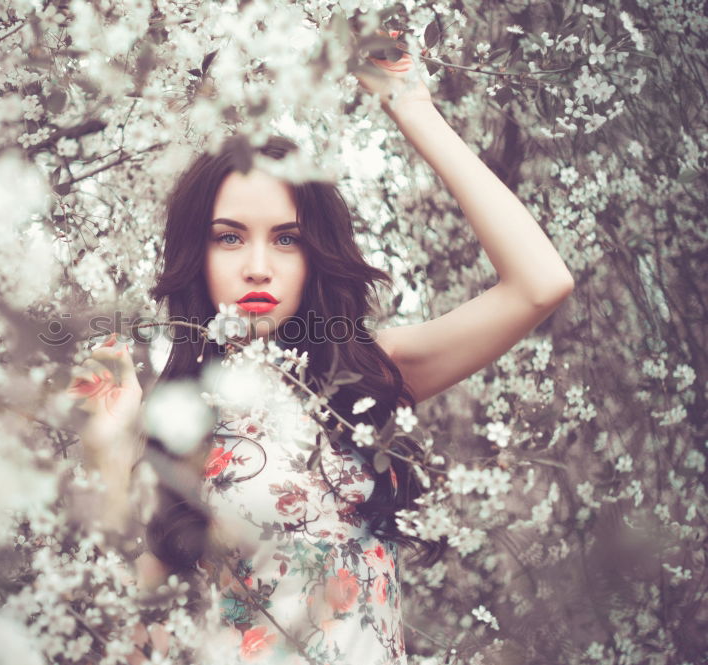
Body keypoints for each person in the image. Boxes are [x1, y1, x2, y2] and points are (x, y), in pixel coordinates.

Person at [68, 34, 574, 665]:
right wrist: (110, 453)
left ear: (317, 256)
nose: (258, 266)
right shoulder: (165, 419)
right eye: (229, 239)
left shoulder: (366, 379)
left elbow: (540, 283)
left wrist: (411, 104)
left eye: (287, 240)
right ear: (195, 257)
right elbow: (141, 634)